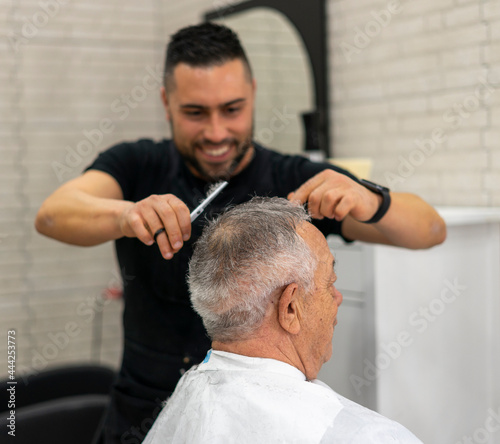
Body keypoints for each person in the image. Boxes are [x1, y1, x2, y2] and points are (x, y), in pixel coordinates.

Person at [34, 22, 445, 443]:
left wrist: (371, 200)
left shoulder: (292, 179)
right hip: (141, 414)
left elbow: (429, 229)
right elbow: (53, 215)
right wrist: (127, 215)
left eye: (232, 109)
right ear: (166, 102)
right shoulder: (137, 165)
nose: (216, 132)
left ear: (253, 93)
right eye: (195, 113)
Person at [142, 197, 423, 443]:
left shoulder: (187, 397)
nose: (337, 298)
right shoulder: (367, 436)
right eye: (329, 284)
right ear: (289, 308)